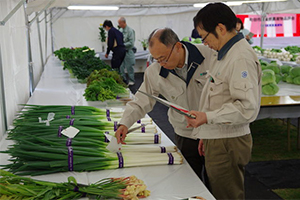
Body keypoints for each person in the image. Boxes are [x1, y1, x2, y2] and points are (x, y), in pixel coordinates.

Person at [115, 28, 215, 185]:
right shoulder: (154, 71)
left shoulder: (209, 56)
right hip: (185, 133)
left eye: (163, 58)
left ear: (177, 47)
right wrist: (125, 123)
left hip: (213, 132)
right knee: (190, 182)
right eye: (156, 59)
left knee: (216, 182)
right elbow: (141, 99)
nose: (161, 64)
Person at [185, 3, 261, 199]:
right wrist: (206, 132)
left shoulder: (239, 57)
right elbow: (217, 97)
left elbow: (246, 108)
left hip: (228, 141)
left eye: (205, 37)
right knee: (219, 191)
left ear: (220, 28)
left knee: (227, 195)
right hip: (219, 136)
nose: (205, 43)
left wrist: (207, 117)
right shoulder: (225, 53)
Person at [118, 17, 136, 86]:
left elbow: (131, 42)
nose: (119, 24)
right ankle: (123, 80)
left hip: (128, 51)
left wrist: (122, 45)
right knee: (121, 67)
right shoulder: (120, 30)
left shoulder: (130, 31)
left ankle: (132, 80)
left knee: (129, 67)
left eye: (120, 23)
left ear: (124, 22)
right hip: (121, 52)